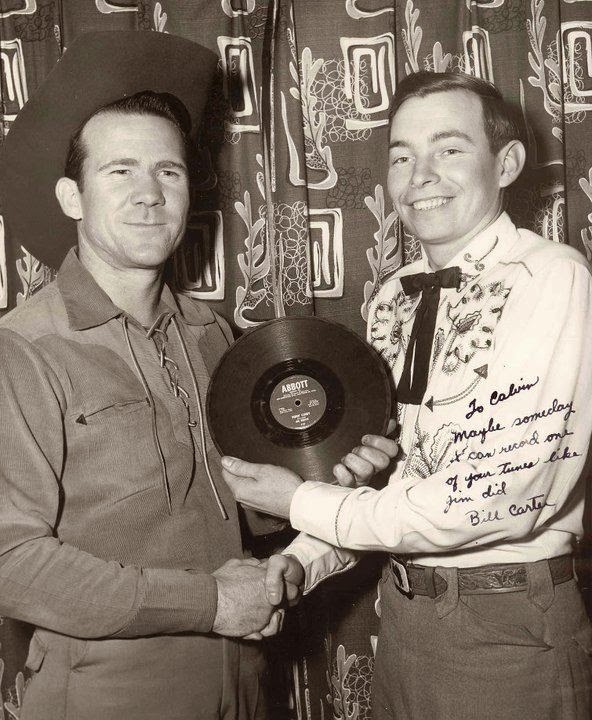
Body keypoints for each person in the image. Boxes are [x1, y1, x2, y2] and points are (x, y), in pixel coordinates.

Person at [222, 71, 592, 720]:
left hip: (506, 628)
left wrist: (299, 500)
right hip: (403, 620)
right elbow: (391, 485)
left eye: (449, 149)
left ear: (506, 164)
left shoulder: (553, 280)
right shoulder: (394, 295)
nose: (420, 175)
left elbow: (497, 497)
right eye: (402, 156)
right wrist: (302, 560)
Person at [0, 31, 305, 720]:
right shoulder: (23, 349)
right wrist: (211, 601)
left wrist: (308, 500)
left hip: (244, 676)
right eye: (120, 172)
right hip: (108, 691)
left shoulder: (210, 332)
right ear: (72, 197)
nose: (149, 195)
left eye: (168, 171)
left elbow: (232, 507)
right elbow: (10, 561)